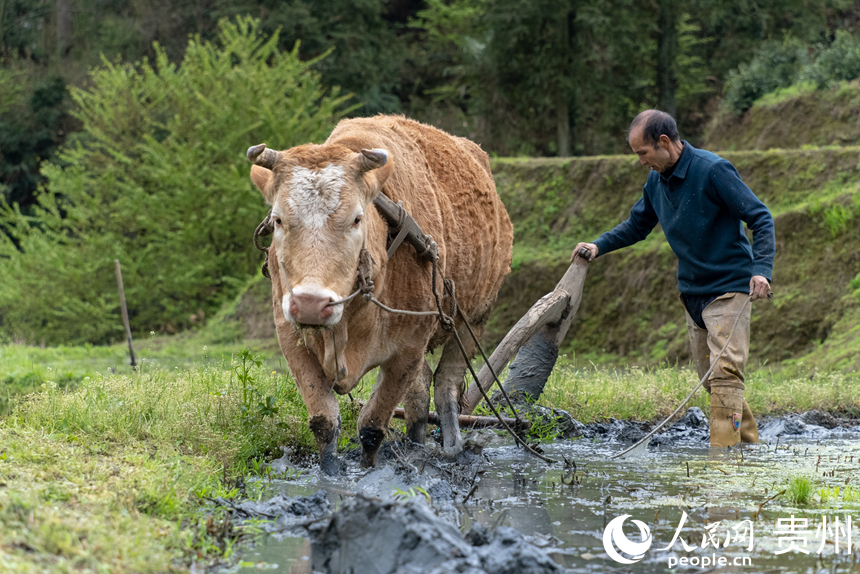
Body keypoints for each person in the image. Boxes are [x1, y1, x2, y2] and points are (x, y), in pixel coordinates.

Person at [572, 110, 774, 448]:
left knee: (725, 375)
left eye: (642, 153)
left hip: (729, 289)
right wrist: (598, 245)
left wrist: (761, 269)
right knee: (713, 380)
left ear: (663, 142)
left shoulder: (713, 171)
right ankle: (749, 444)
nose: (640, 161)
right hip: (692, 292)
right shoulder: (656, 180)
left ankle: (721, 465)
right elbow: (638, 225)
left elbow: (760, 217)